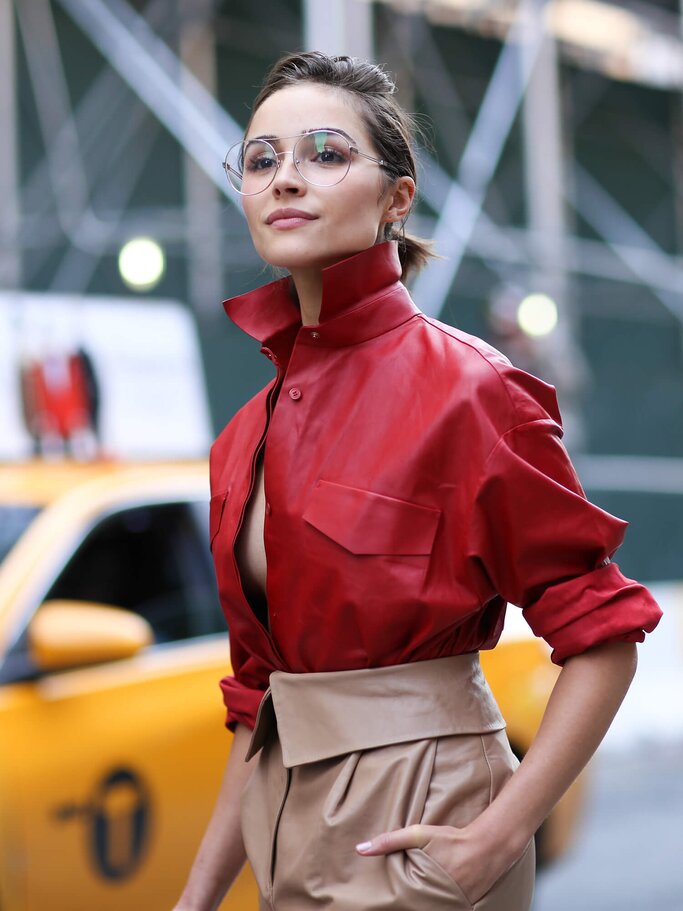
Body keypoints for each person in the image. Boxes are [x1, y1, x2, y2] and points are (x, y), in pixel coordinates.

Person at [173, 51, 661, 911]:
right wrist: (196, 897)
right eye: (260, 159)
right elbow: (260, 706)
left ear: (398, 199)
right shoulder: (243, 435)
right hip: (284, 830)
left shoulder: (470, 389)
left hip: (424, 818)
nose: (285, 178)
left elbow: (602, 634)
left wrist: (497, 836)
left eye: (324, 153)